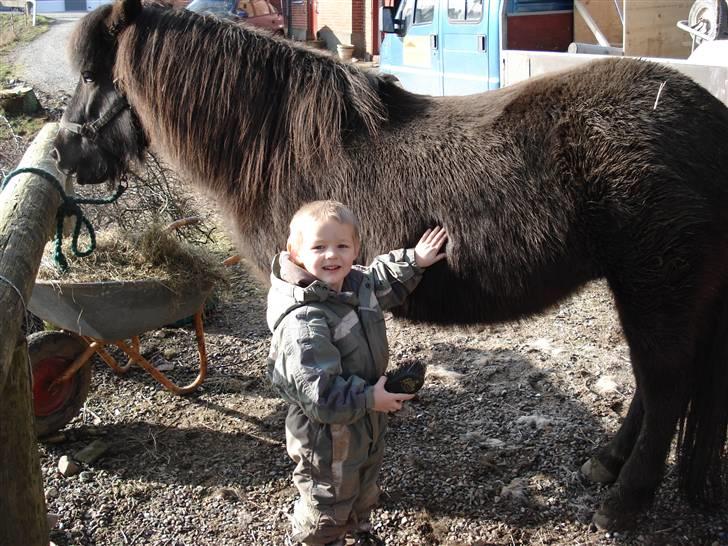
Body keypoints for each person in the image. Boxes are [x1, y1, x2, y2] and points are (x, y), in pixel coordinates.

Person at [266, 200, 447, 546]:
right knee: (328, 497)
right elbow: (320, 394)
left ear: (355, 250)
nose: (331, 255)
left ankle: (359, 527)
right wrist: (370, 397)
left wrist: (416, 260)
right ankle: (317, 540)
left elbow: (380, 277)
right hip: (326, 434)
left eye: (341, 246)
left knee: (364, 479)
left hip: (364, 413)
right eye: (318, 247)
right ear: (295, 251)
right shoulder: (303, 321)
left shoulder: (353, 283)